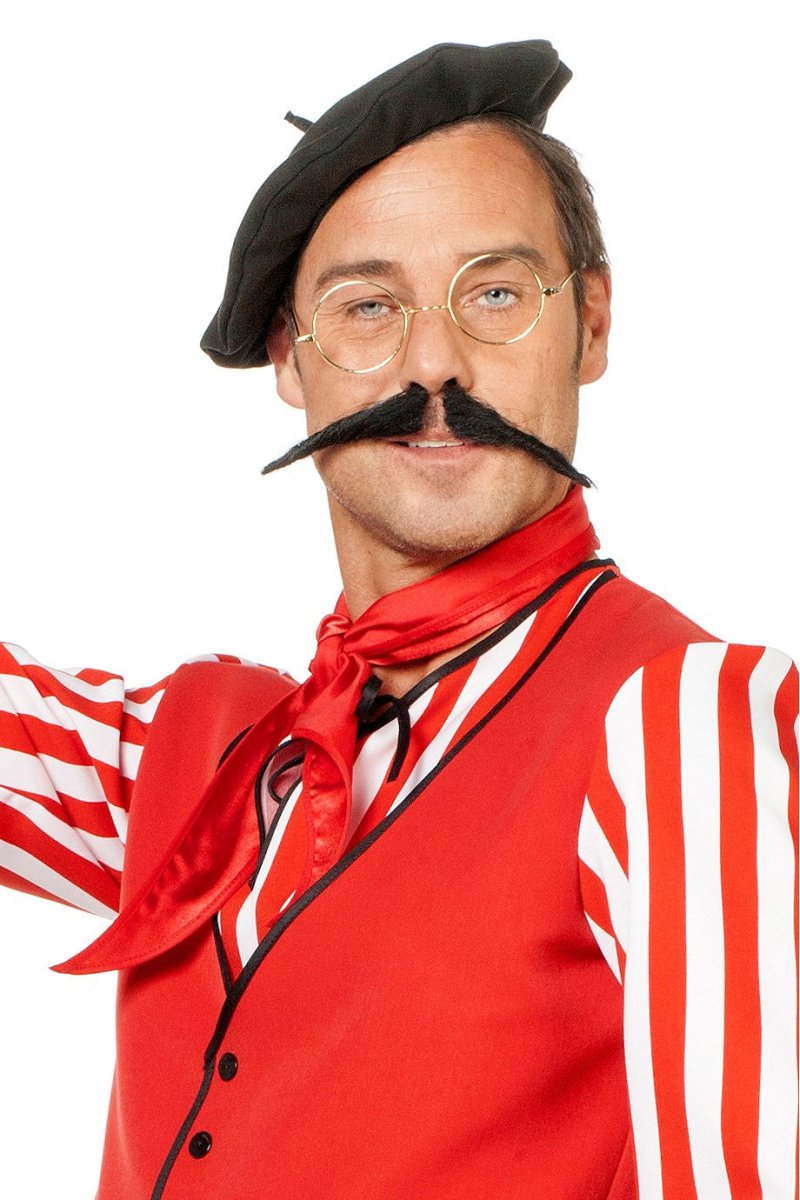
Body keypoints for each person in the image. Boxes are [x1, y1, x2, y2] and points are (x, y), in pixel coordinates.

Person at [0, 38, 796, 1199]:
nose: (434, 363)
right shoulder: (204, 757)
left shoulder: (677, 721)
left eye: (494, 293)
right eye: (367, 306)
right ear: (290, 358)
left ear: (591, 322)